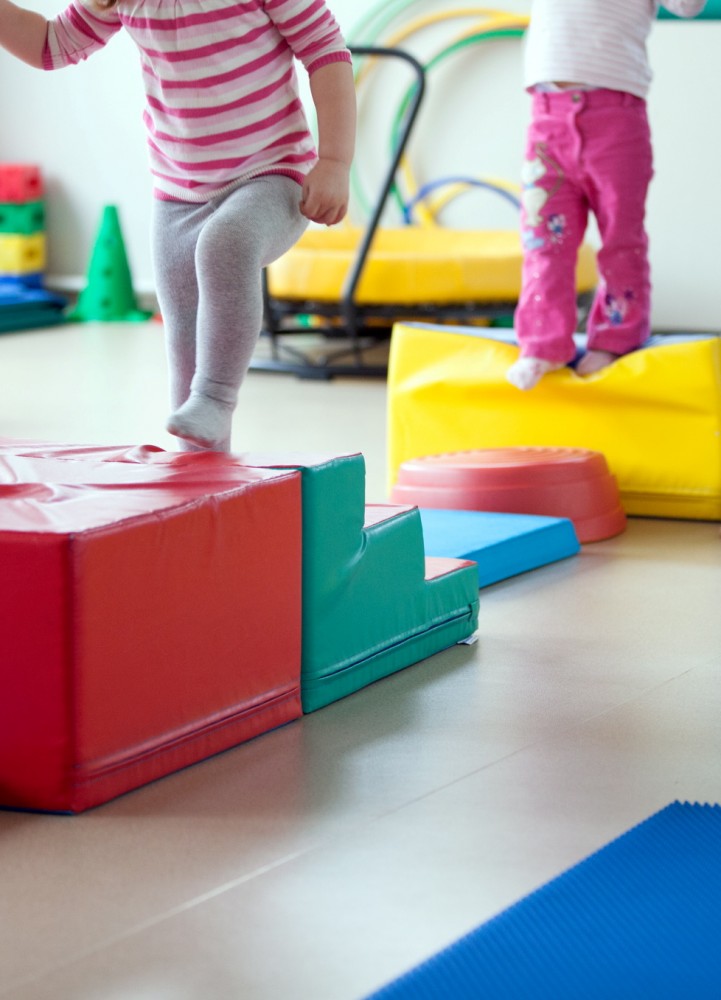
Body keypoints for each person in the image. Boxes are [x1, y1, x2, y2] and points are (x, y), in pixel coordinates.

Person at [0, 0, 356, 450]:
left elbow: (325, 50)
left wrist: (335, 161)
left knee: (225, 245)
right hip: (178, 192)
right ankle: (199, 457)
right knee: (185, 335)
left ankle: (216, 396)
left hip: (273, 174)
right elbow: (51, 44)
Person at [507, 0, 707, 391]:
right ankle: (543, 343)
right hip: (548, 117)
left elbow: (687, 6)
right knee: (544, 239)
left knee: (620, 239)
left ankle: (617, 339)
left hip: (615, 118)